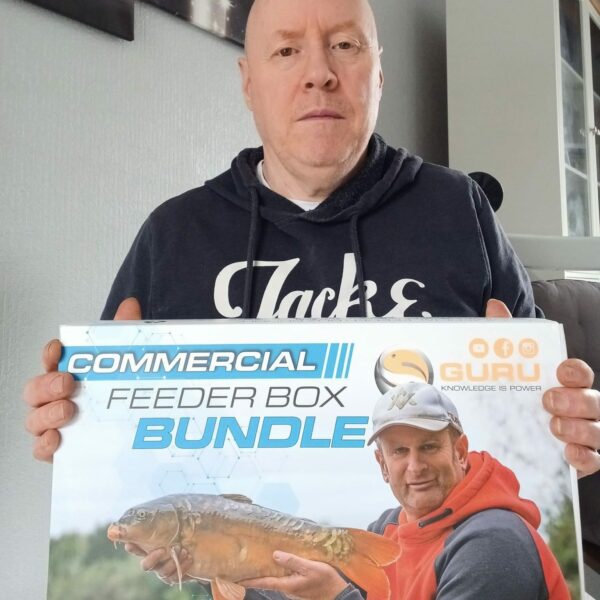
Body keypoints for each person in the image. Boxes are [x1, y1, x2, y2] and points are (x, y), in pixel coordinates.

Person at [24, 0, 600, 592]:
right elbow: (108, 432)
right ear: (249, 81)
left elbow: (547, 412)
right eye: (286, 50)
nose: (318, 73)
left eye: (345, 45)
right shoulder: (173, 234)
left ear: (379, 72)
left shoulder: (460, 211)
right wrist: (74, 418)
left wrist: (567, 428)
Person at [242, 382, 571, 599]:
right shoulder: (387, 530)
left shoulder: (493, 542)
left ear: (459, 451)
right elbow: (311, 587)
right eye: (399, 451)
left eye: (428, 447)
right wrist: (232, 576)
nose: (415, 466)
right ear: (383, 465)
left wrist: (335, 596)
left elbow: (335, 592)